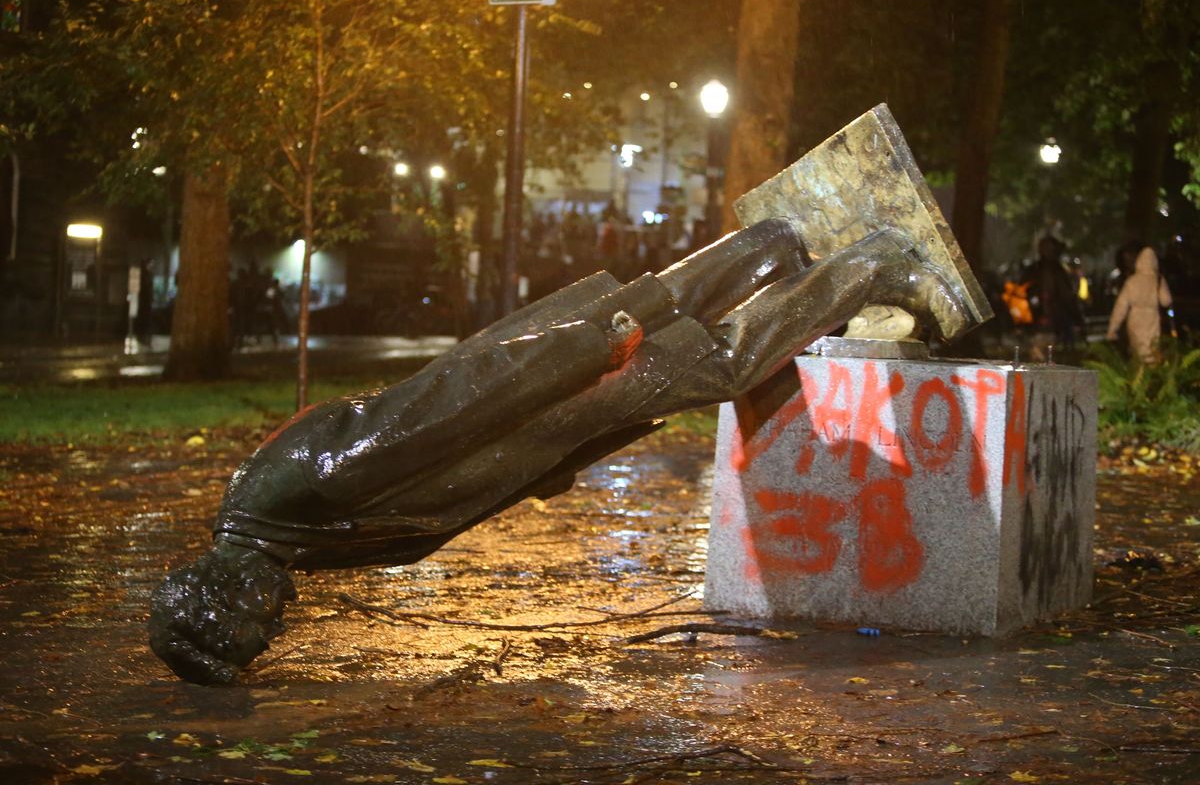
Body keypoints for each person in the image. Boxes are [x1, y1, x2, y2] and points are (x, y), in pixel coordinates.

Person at [149, 219, 974, 685]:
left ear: (227, 591)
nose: (277, 621)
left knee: (717, 361)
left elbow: (444, 409)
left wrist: (580, 353)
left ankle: (870, 264)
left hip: (553, 387)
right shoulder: (273, 537)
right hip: (547, 409)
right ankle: (773, 249)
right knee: (666, 305)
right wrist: (543, 467)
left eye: (256, 621)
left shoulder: (299, 499)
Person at [1106, 243, 1173, 363]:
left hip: (1135, 319)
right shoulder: (1158, 280)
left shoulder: (1132, 281)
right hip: (1152, 318)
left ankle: (1138, 375)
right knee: (1152, 349)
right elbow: (1166, 301)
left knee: (1138, 351)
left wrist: (1112, 329)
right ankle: (1151, 374)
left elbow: (1120, 307)